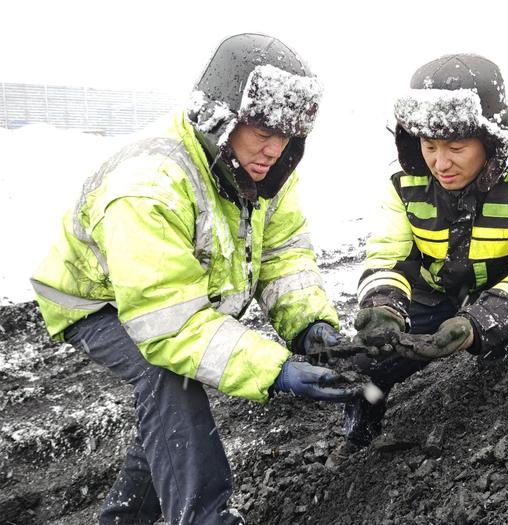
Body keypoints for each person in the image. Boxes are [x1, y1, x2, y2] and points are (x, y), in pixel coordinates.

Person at [31, 33, 361, 525]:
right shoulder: (147, 186)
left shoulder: (265, 169)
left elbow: (282, 252)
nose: (274, 148)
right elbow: (171, 326)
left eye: (288, 134)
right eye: (261, 130)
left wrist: (309, 325)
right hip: (95, 299)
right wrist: (277, 369)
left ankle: (122, 519)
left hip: (171, 298)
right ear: (219, 117)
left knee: (166, 410)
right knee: (167, 376)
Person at [332, 53, 508, 461]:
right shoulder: (406, 180)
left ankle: (494, 407)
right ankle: (358, 441)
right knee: (367, 362)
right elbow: (387, 253)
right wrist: (383, 307)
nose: (440, 163)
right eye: (429, 146)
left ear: (491, 141)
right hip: (437, 294)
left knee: (506, 362)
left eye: (456, 147)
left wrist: (477, 325)